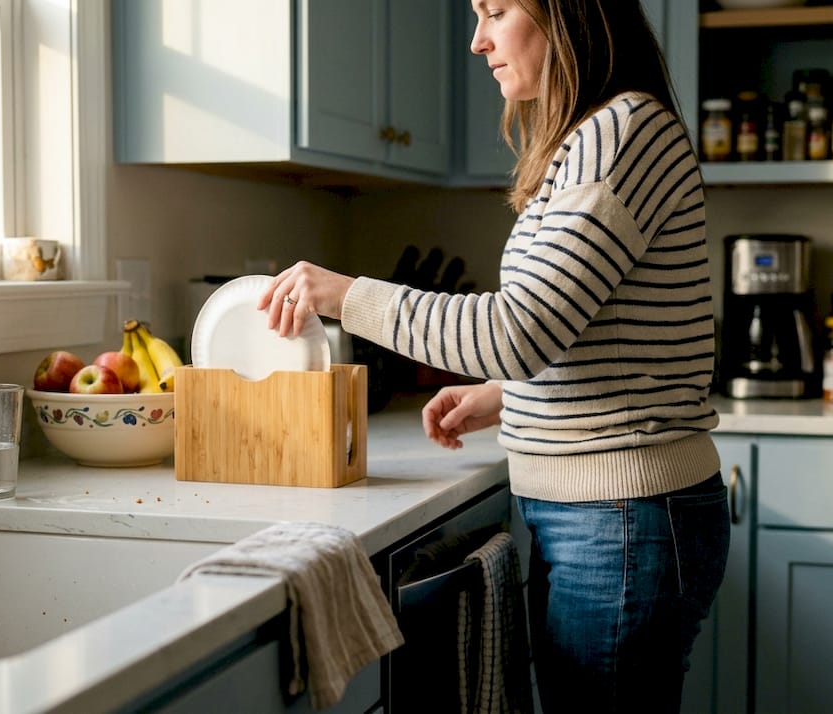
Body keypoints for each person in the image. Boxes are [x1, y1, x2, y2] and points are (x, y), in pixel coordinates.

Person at [258, 1, 729, 710]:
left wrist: (344, 295)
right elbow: (602, 332)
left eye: (495, 11)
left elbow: (519, 330)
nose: (477, 42)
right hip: (610, 514)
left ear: (568, 14)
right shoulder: (597, 136)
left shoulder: (620, 132)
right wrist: (507, 395)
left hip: (622, 517)